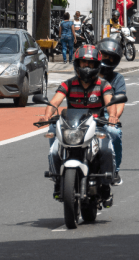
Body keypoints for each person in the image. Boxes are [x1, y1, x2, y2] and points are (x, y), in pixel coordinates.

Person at [43, 45, 117, 200]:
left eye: (90, 64)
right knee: (54, 151)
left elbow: (110, 104)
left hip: (97, 127)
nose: (87, 67)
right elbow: (55, 101)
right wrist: (47, 114)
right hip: (73, 127)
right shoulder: (67, 84)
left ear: (97, 66)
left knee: (106, 150)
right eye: (83, 63)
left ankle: (105, 184)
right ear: (77, 64)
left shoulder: (104, 85)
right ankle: (58, 180)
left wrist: (112, 117)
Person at [97, 38, 127, 185]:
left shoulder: (117, 79)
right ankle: (58, 170)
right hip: (85, 114)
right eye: (104, 55)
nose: (107, 59)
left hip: (106, 116)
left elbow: (120, 101)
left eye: (111, 57)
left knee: (114, 132)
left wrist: (113, 117)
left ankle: (114, 170)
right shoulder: (86, 72)